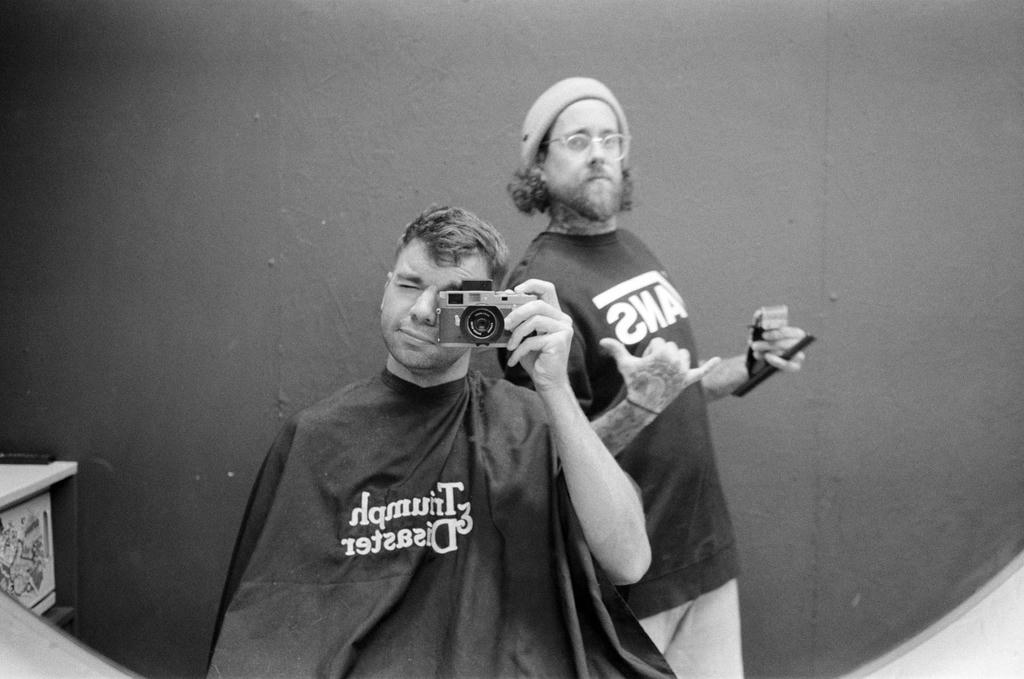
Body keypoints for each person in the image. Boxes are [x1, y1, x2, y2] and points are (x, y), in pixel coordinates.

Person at [206, 205, 708, 678]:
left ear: (489, 310)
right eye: (409, 284)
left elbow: (628, 561)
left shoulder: (530, 419)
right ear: (386, 289)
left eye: (453, 297)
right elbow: (270, 620)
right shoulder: (315, 437)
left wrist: (554, 389)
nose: (424, 309)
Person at [501, 77, 810, 678]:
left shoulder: (633, 248)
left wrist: (747, 366)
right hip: (630, 584)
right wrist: (637, 408)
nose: (599, 152)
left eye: (610, 139)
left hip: (704, 555)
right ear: (540, 162)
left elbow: (677, 387)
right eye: (577, 139)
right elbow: (540, 468)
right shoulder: (537, 291)